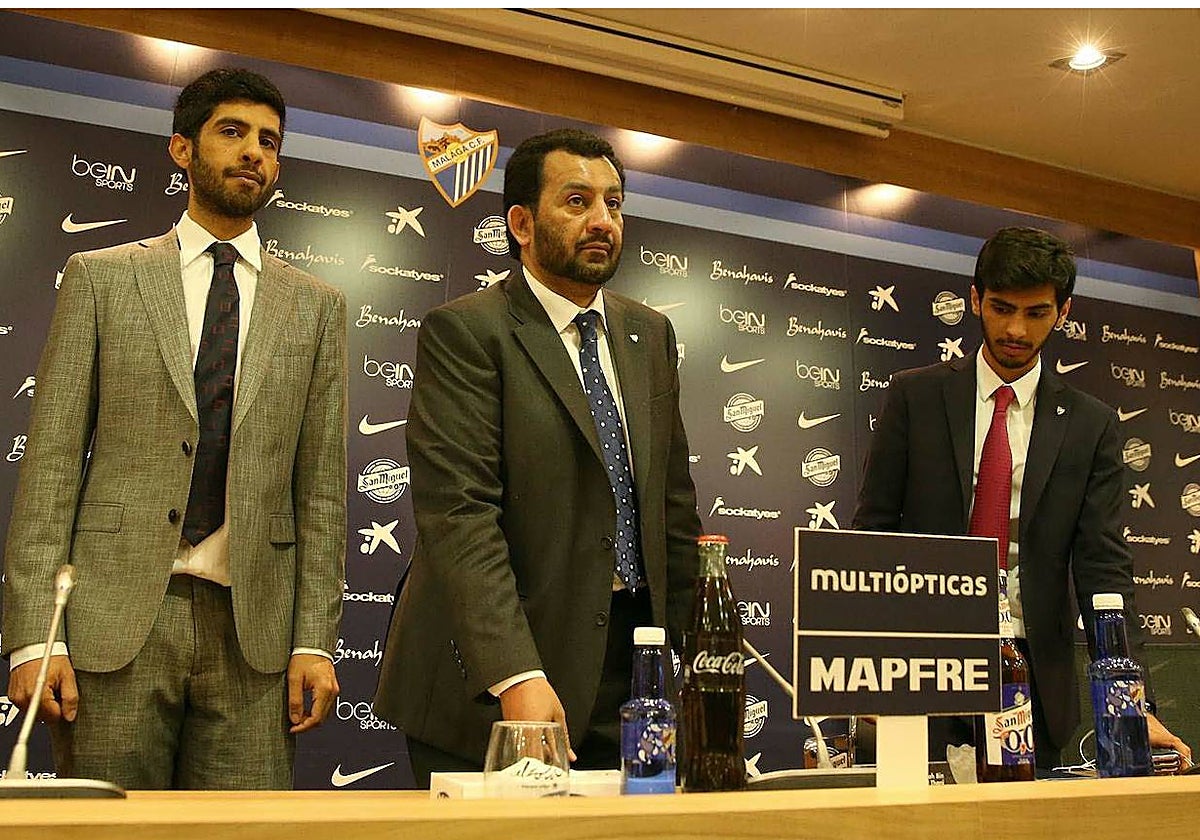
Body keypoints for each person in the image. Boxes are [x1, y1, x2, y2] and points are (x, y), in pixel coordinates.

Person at [1, 68, 347, 789]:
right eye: (233, 132)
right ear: (182, 149)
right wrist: (35, 637)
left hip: (255, 636)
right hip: (113, 622)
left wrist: (315, 638)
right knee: (109, 834)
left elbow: (320, 491)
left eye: (269, 141)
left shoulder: (316, 307)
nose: (254, 152)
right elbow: (53, 464)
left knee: (245, 837)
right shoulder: (101, 278)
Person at [373, 128, 701, 785]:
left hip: (627, 675)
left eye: (614, 203)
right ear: (521, 224)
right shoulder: (468, 330)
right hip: (492, 682)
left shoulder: (649, 333)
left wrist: (702, 658)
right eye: (577, 202)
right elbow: (460, 517)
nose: (603, 220)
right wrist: (515, 674)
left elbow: (672, 510)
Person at [852, 226, 1191, 770]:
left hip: (1034, 677)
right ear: (975, 300)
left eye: (1036, 313)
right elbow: (872, 538)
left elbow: (1104, 570)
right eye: (1002, 308)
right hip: (919, 665)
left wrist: (1133, 706)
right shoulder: (914, 397)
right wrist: (864, 666)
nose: (1015, 329)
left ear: (1063, 311)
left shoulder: (1091, 425)